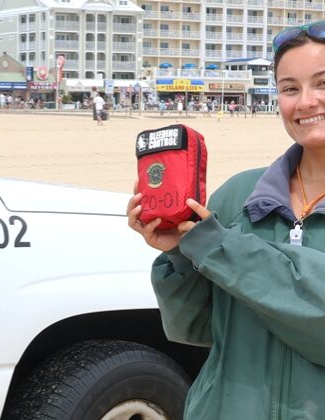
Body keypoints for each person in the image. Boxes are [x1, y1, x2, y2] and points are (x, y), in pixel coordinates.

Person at [127, 20, 325, 419]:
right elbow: (196, 328)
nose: (305, 101)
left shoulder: (222, 234)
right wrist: (180, 255)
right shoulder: (240, 195)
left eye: (322, 83)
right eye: (289, 88)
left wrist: (216, 247)